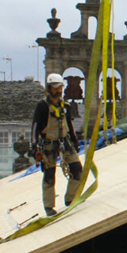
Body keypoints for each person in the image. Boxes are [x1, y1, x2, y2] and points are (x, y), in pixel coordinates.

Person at [31, 73, 83, 217]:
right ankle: (49, 206)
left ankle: (70, 198)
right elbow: (35, 126)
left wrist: (74, 140)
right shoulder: (42, 106)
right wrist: (34, 145)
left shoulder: (64, 105)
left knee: (77, 169)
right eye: (55, 88)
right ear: (49, 88)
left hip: (64, 142)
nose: (58, 91)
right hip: (48, 144)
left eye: (60, 87)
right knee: (49, 175)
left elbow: (69, 124)